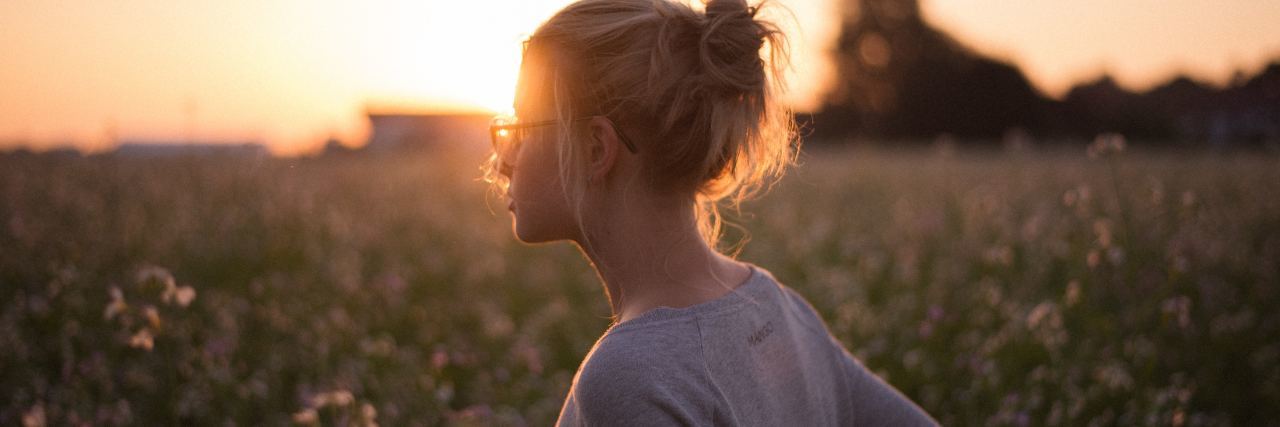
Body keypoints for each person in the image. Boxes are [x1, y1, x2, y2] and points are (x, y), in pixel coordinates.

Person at [483, 0, 938, 425]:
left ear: (595, 148)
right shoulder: (776, 306)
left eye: (522, 127)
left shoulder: (628, 377)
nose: (503, 160)